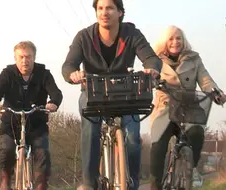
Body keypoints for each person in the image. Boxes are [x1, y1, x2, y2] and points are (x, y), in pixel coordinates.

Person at [61, 0, 162, 189]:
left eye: (109, 8)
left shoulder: (132, 34)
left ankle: (131, 181)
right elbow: (68, 65)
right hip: (93, 93)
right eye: (100, 8)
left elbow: (151, 58)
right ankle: (89, 182)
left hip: (126, 94)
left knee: (132, 136)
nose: (104, 12)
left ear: (120, 13)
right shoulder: (84, 37)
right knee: (90, 130)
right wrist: (73, 74)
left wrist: (151, 69)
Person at [149, 25, 226, 190]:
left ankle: (191, 168)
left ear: (183, 41)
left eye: (178, 38)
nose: (175, 42)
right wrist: (152, 81)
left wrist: (216, 92)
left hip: (189, 107)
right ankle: (155, 184)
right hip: (165, 108)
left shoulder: (194, 59)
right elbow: (148, 77)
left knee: (197, 133)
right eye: (171, 38)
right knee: (158, 145)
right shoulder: (154, 60)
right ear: (164, 42)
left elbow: (206, 80)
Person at [0, 41, 63, 190]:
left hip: (36, 123)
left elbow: (56, 92)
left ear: (34, 57)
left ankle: (41, 184)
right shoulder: (7, 74)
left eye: (28, 56)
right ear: (15, 58)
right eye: (21, 57)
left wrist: (53, 103)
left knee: (42, 152)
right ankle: (6, 179)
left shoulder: (44, 74)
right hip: (11, 123)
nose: (25, 61)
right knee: (7, 150)